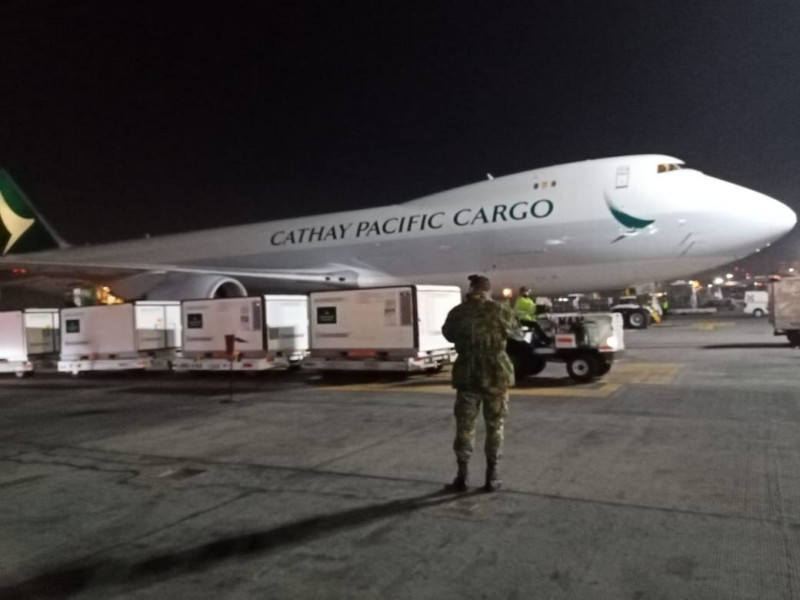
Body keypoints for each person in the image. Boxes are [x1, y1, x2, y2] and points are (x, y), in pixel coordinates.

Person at [441, 274, 517, 492]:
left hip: (467, 374)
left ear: (471, 289)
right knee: (495, 425)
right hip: (496, 373)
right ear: (488, 290)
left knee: (465, 425)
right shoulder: (502, 310)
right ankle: (492, 475)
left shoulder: (458, 312)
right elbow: (515, 332)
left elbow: (449, 335)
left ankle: (462, 475)